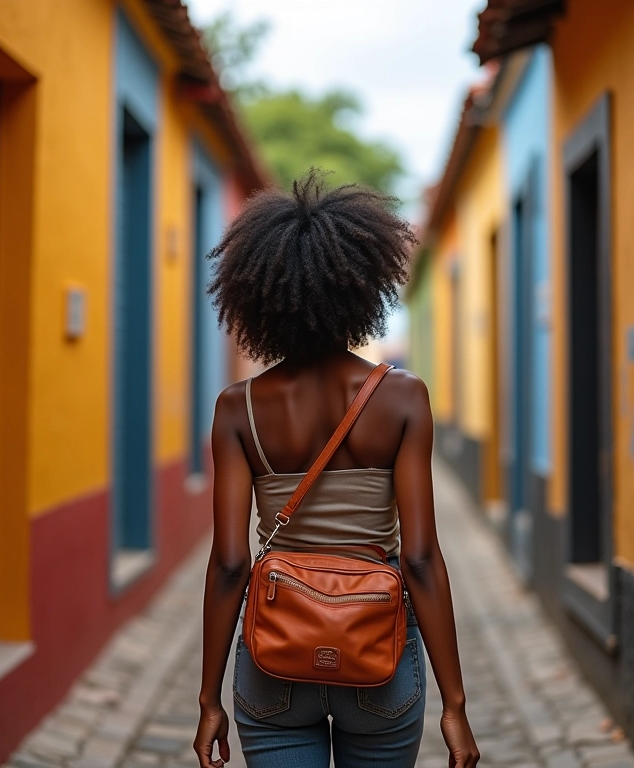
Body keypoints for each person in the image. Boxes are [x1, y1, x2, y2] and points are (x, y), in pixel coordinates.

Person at [193, 170, 480, 768]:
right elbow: (420, 558)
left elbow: (229, 563)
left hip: (275, 657)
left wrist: (208, 698)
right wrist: (454, 705)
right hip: (379, 652)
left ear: (258, 295)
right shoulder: (402, 398)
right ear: (362, 288)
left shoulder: (237, 409)